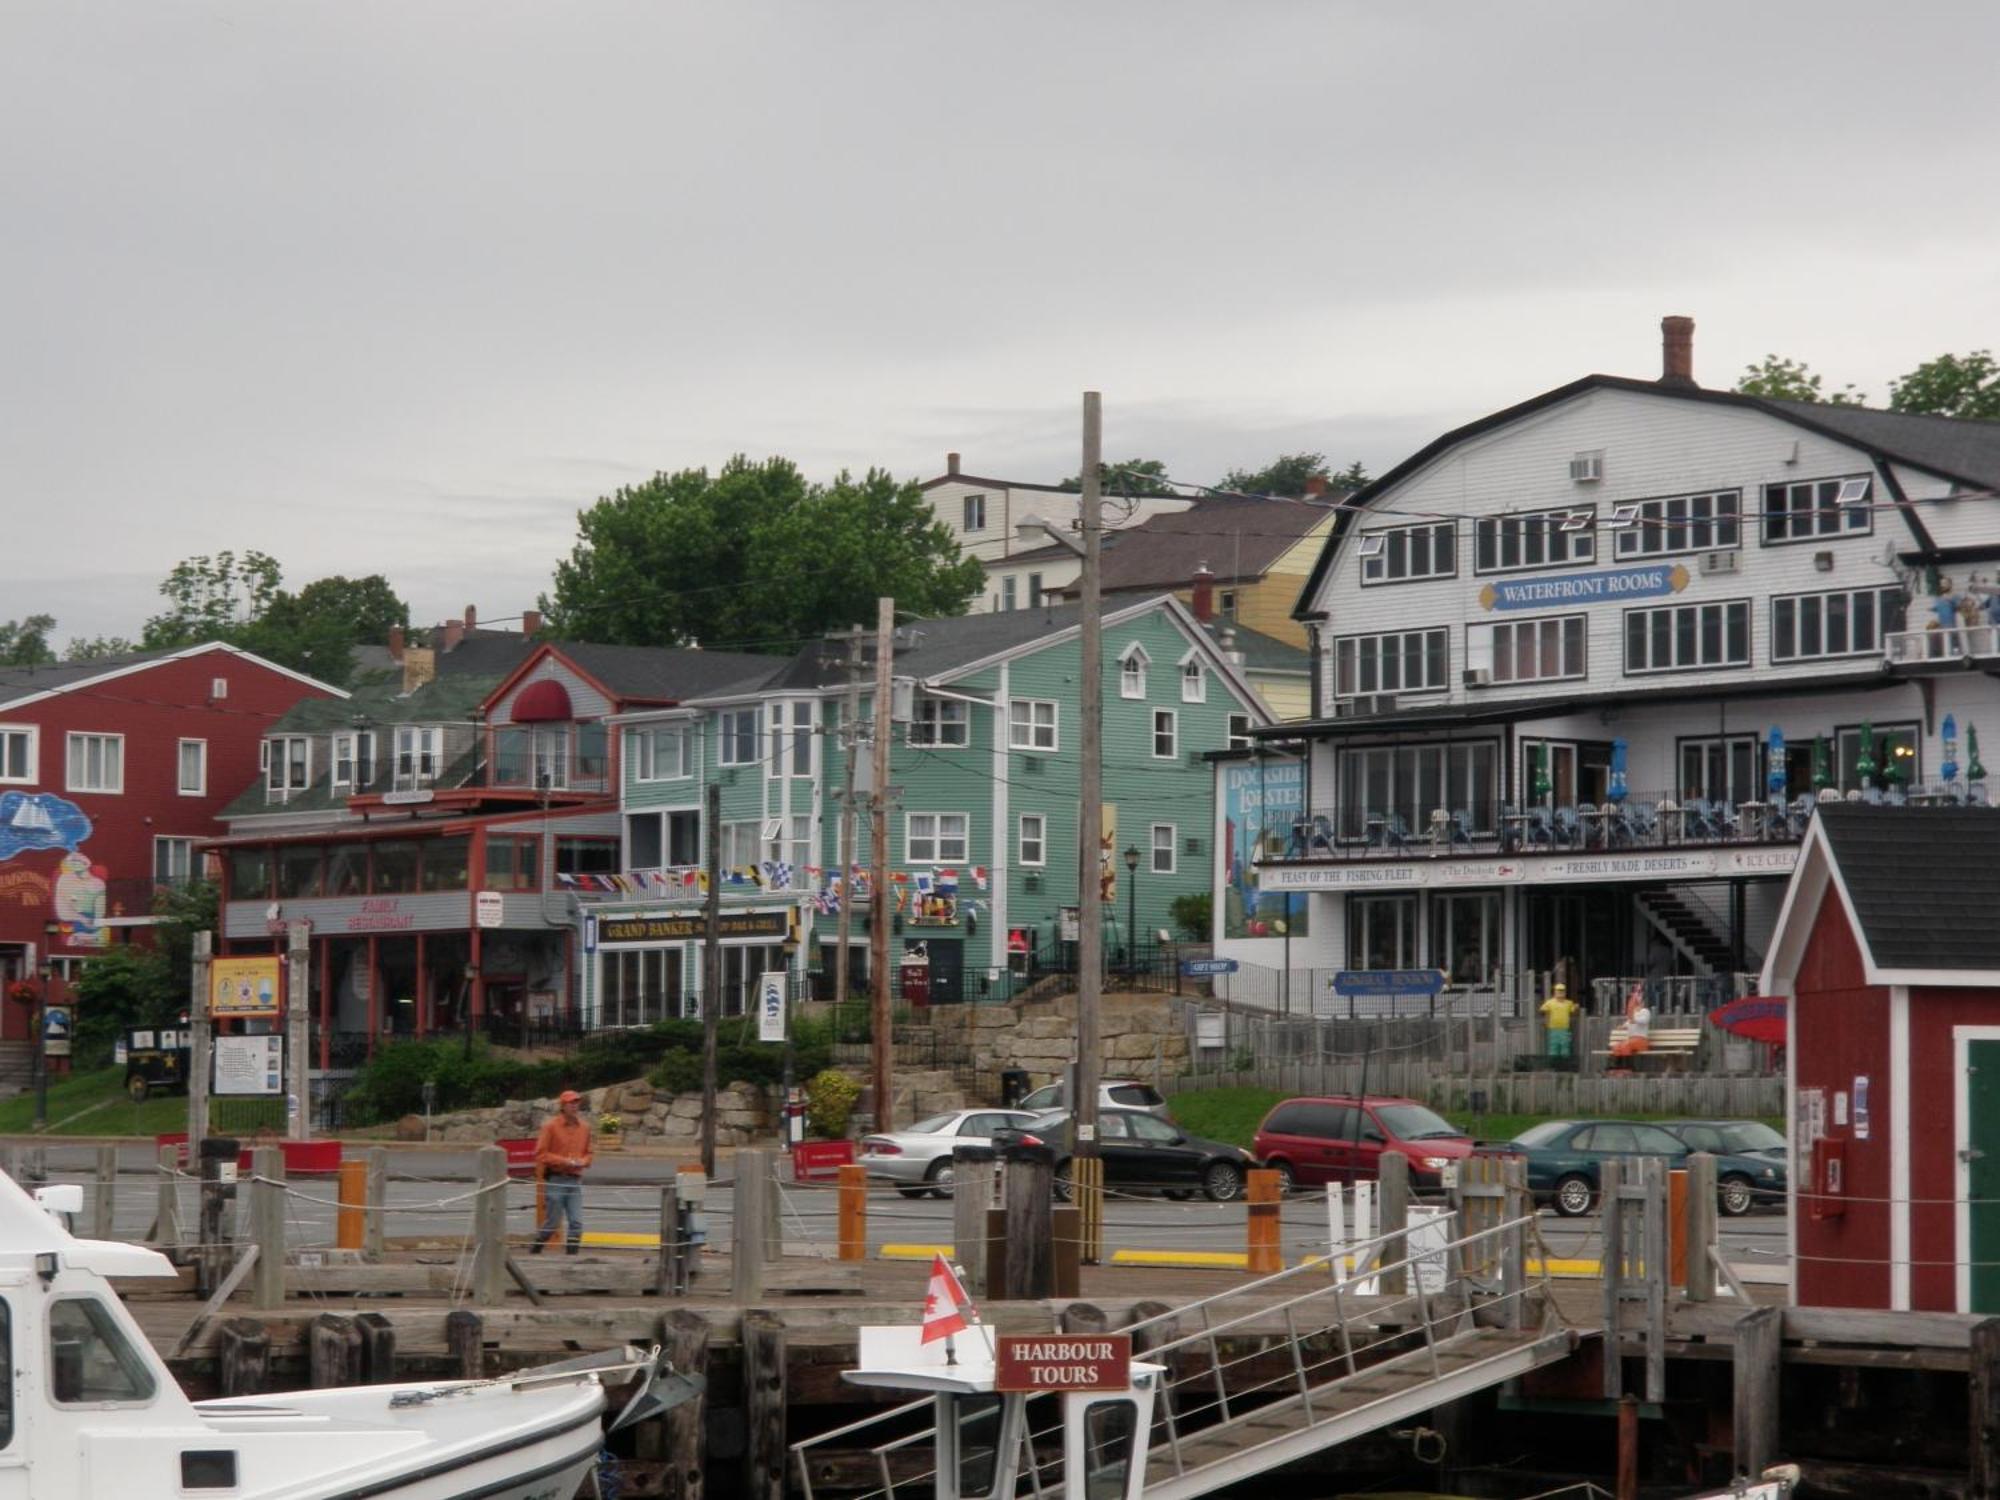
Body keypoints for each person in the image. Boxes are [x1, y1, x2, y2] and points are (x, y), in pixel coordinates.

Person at [530, 1089, 594, 1255]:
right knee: (552, 1223)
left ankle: (571, 1257)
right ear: (563, 1106)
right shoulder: (550, 1127)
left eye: (577, 1102)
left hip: (574, 1180)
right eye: (571, 1103)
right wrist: (564, 1161)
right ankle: (536, 1248)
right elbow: (541, 1153)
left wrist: (584, 1161)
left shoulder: (585, 1128)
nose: (575, 1106)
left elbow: (589, 1152)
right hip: (556, 1179)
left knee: (577, 1223)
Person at [1610, 983, 1652, 1062]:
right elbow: (1628, 1023)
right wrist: (1622, 1027)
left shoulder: (1645, 1011)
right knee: (1617, 1047)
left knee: (1626, 1045)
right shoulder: (1632, 1014)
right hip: (1631, 1040)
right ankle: (1618, 1067)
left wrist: (1634, 1020)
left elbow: (1644, 1021)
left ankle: (1628, 1066)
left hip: (1641, 1040)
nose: (1635, 1004)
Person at [1539, 984, 1579, 1061]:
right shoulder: (1550, 1002)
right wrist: (1545, 1019)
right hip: (1553, 1029)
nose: (1560, 993)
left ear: (1565, 992)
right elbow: (1542, 1010)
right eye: (1558, 990)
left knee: (1565, 1047)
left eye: (1562, 991)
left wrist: (1576, 1007)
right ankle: (1554, 1066)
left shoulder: (1569, 1003)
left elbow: (1573, 1011)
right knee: (1553, 1047)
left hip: (1565, 1029)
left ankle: (1564, 1066)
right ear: (1555, 992)